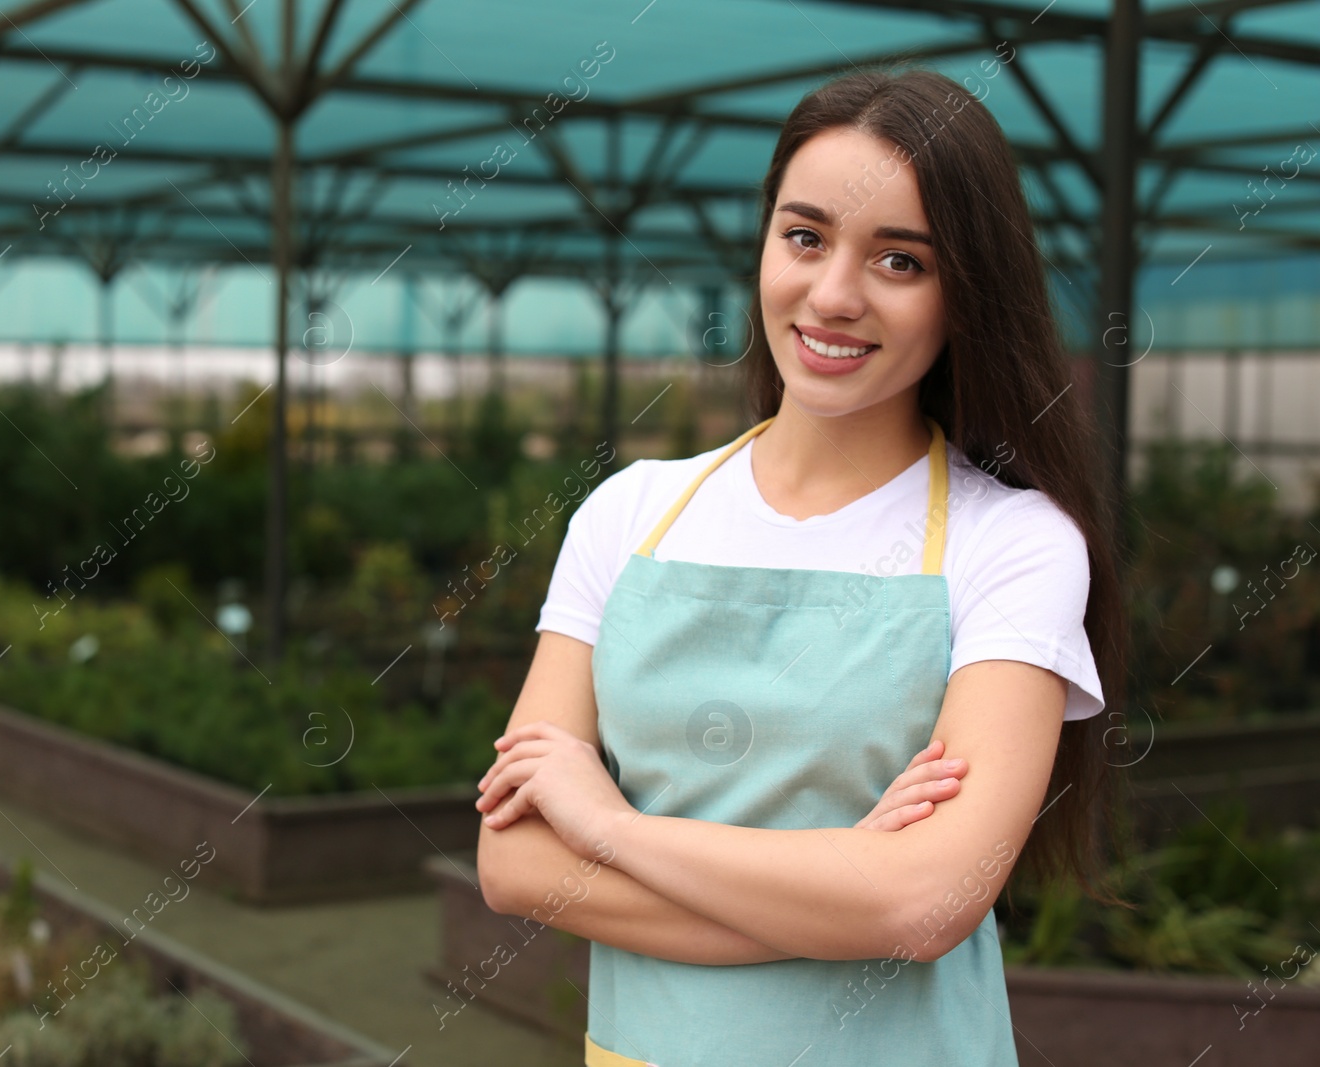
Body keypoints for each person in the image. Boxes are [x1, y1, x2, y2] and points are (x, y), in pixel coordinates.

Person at [474, 66, 1127, 1067]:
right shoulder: (629, 512)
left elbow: (927, 902)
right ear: (765, 241)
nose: (832, 294)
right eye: (805, 236)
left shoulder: (1018, 542)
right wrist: (850, 884)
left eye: (898, 261)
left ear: (966, 292)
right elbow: (515, 862)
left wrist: (605, 822)